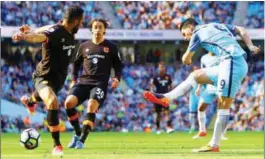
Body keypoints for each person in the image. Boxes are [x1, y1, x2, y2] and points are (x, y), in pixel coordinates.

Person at [143, 18, 260, 152]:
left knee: (223, 106)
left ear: (190, 27)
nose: (185, 38)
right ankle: (166, 97)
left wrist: (186, 59)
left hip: (233, 63)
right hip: (228, 63)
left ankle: (214, 144)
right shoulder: (216, 25)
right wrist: (250, 46)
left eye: (184, 34)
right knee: (195, 75)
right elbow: (241, 29)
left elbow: (186, 58)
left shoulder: (197, 33)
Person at [12, 6, 84, 155]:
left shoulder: (69, 34)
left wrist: (31, 30)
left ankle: (30, 101)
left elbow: (42, 30)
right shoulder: (56, 32)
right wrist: (26, 36)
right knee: (52, 101)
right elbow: (41, 37)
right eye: (81, 22)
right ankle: (57, 145)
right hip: (43, 76)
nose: (82, 25)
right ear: (76, 21)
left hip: (59, 79)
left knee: (45, 96)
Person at [64, 18, 122, 149]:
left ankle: (82, 141)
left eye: (100, 27)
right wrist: (73, 80)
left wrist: (116, 78)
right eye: (95, 27)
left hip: (99, 84)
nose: (97, 30)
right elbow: (76, 64)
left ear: (104, 30)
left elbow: (118, 65)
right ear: (91, 30)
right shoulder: (84, 46)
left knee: (91, 105)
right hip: (83, 82)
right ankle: (78, 133)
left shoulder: (111, 47)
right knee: (68, 103)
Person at [192, 53, 228, 140]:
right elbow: (202, 73)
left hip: (221, 85)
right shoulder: (204, 58)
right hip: (209, 86)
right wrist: (199, 88)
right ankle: (202, 131)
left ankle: (222, 133)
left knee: (223, 109)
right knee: (201, 107)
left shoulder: (223, 56)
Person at [150, 62, 173, 134]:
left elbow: (171, 85)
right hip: (157, 97)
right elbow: (152, 86)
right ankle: (158, 129)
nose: (161, 69)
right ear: (158, 68)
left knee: (167, 113)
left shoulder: (168, 76)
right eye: (160, 67)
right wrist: (152, 94)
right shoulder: (155, 77)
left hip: (165, 97)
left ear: (164, 68)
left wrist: (171, 94)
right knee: (158, 114)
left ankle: (168, 128)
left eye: (162, 67)